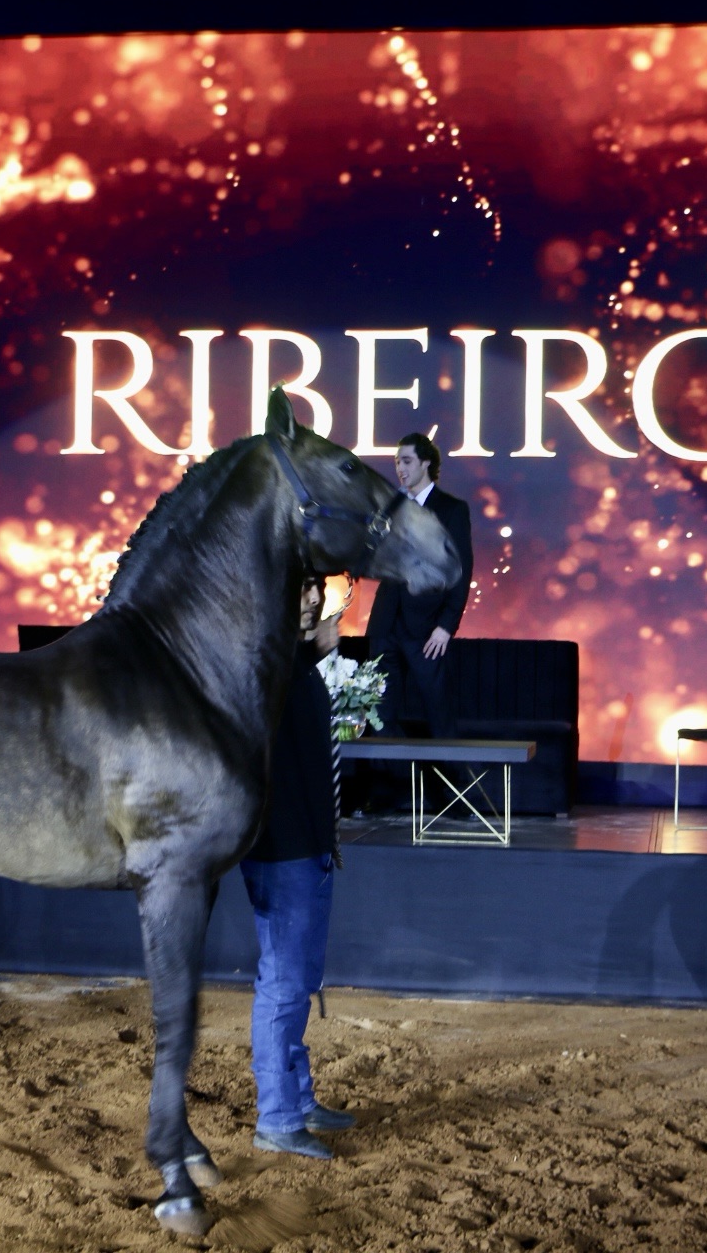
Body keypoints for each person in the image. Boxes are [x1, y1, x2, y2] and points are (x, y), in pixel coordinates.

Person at [239, 576, 357, 1160]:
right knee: (284, 985)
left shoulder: (294, 662)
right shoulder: (261, 658)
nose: (314, 598)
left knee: (298, 980)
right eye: (302, 587)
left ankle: (298, 1100)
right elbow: (268, 678)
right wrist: (311, 650)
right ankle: (278, 1120)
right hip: (281, 849)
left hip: (308, 848)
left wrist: (315, 651)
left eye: (315, 587)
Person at [366, 432, 473, 740]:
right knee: (379, 715)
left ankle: (448, 772)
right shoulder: (390, 507)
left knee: (439, 714)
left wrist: (446, 625)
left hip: (427, 628)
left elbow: (460, 570)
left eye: (407, 461)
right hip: (386, 623)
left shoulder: (451, 509)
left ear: (426, 463)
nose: (400, 468)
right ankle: (389, 772)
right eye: (397, 462)